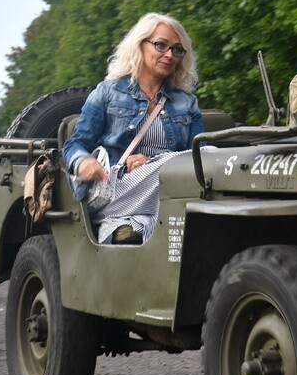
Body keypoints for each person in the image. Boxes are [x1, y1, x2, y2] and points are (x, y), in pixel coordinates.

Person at [63, 12, 204, 245]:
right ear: (140, 45)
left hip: (169, 190)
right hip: (119, 188)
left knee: (209, 158)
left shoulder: (186, 103)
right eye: (161, 45)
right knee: (182, 169)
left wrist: (150, 160)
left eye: (177, 50)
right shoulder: (108, 93)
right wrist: (83, 163)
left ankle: (128, 226)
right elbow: (74, 145)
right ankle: (122, 223)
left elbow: (200, 155)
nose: (170, 55)